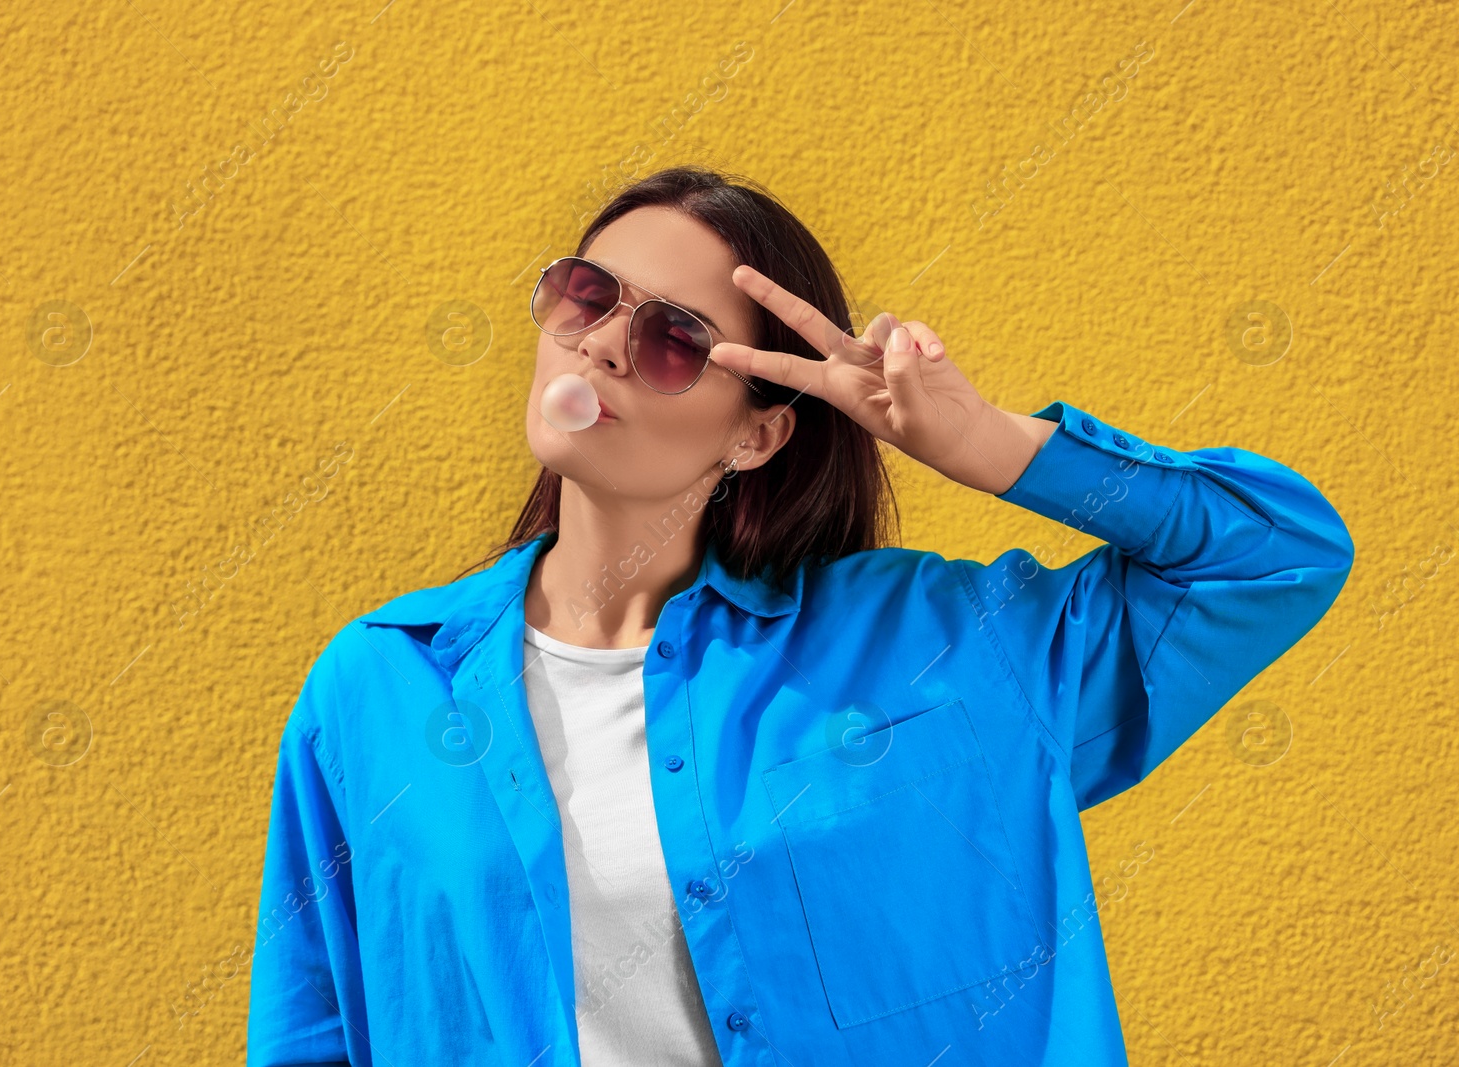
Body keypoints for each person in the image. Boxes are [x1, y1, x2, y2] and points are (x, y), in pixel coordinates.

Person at [244, 166, 1353, 1066]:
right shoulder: (378, 687)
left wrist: (988, 446)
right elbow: (313, 1033)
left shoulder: (946, 648)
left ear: (755, 433)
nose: (600, 346)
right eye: (588, 295)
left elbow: (1273, 559)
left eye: (672, 338)